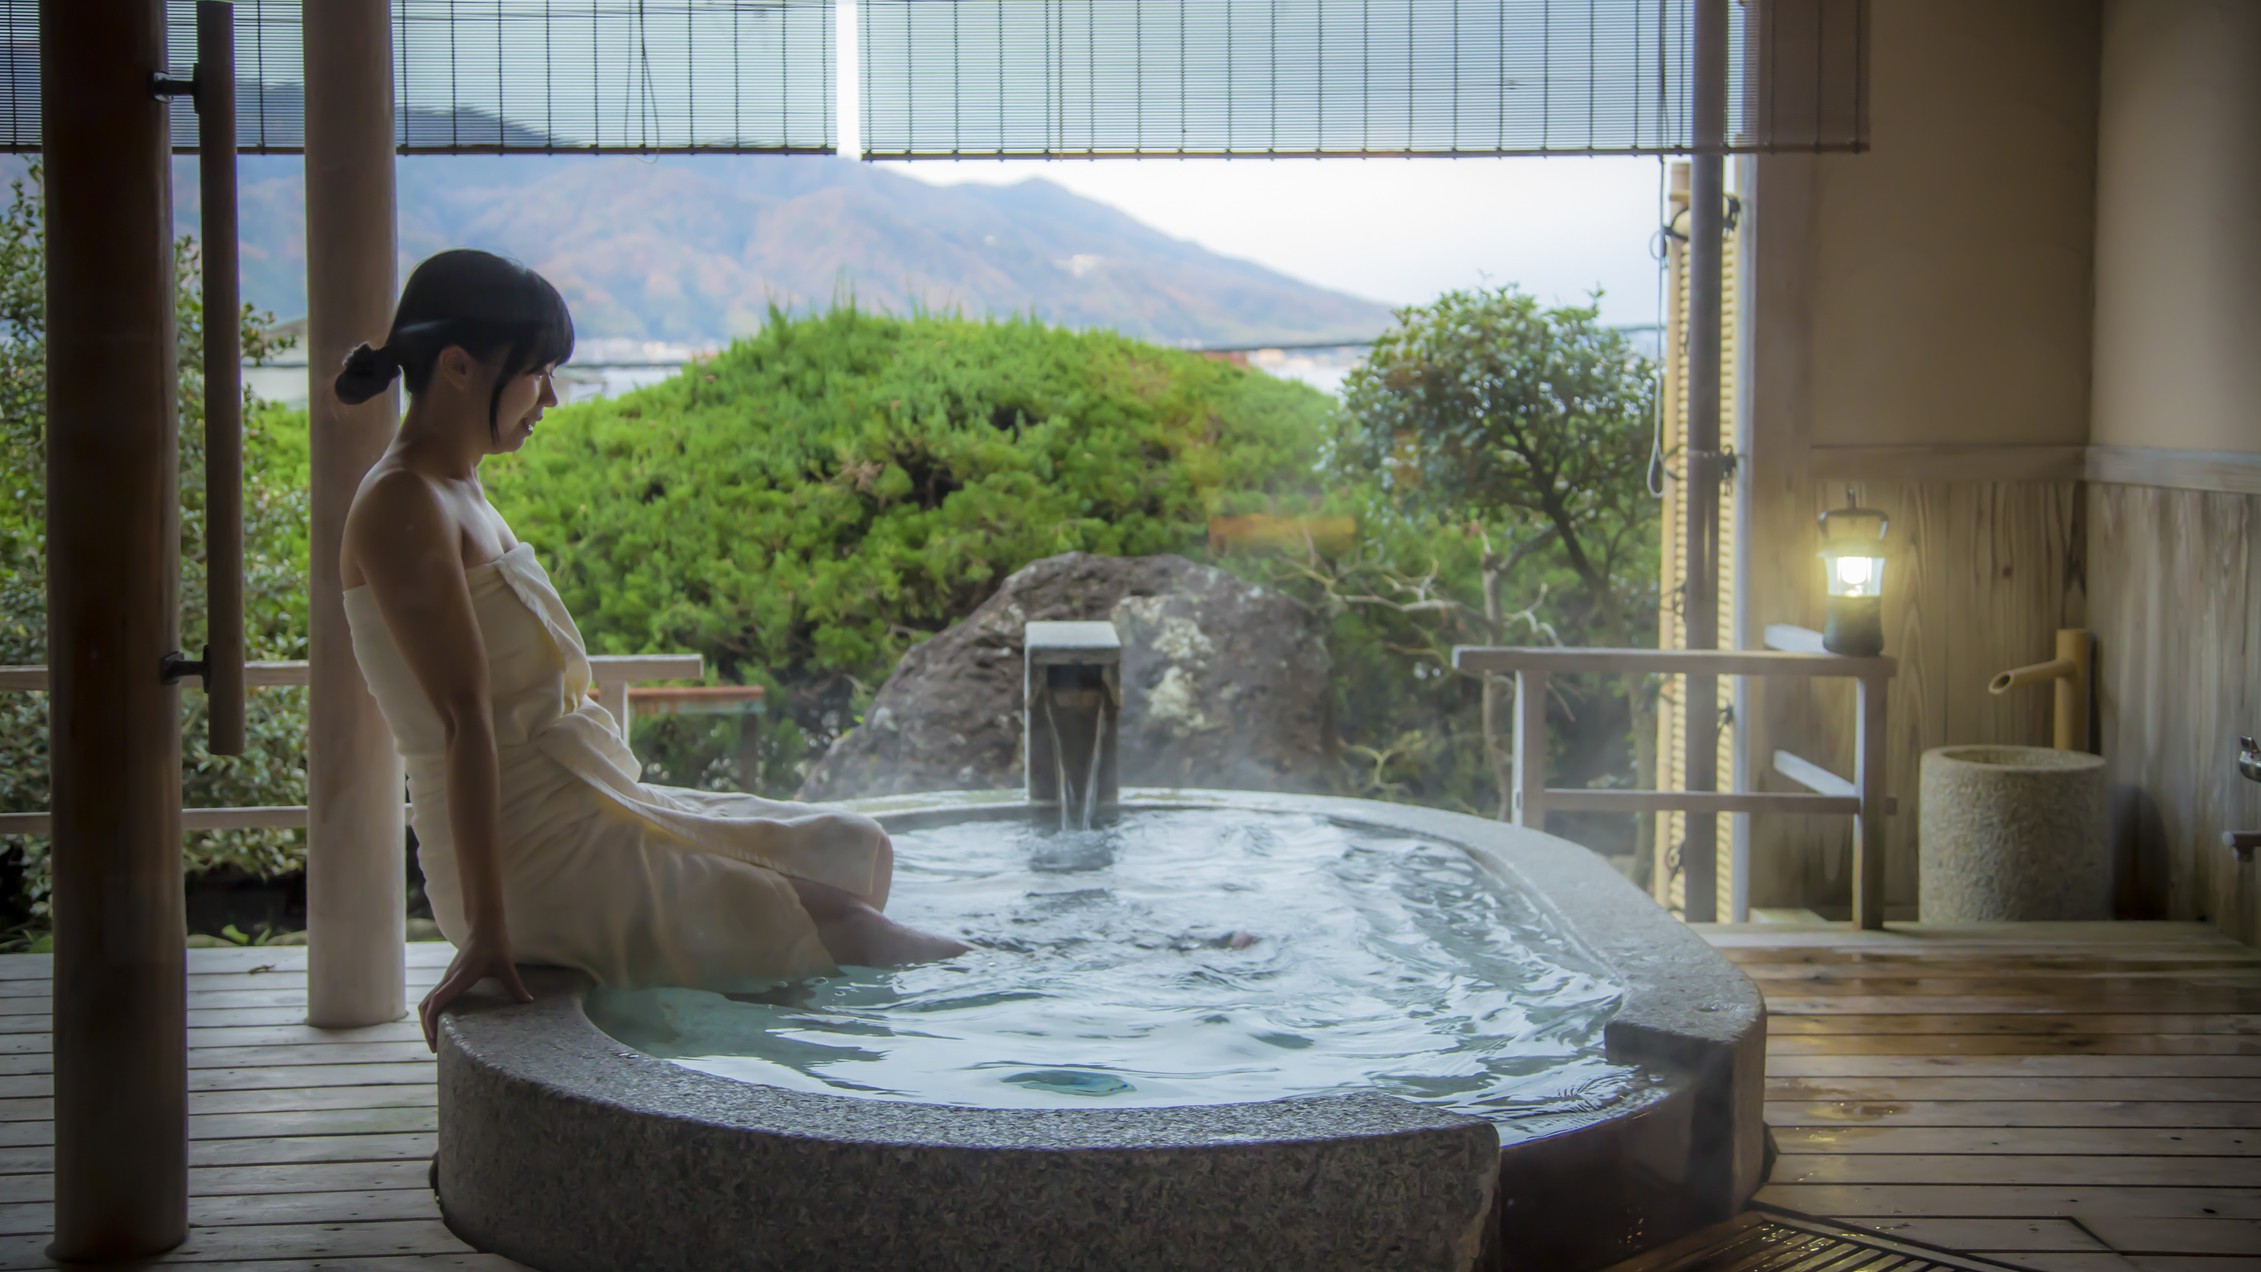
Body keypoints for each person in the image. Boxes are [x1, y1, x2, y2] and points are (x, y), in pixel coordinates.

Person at [335, 249, 969, 1053]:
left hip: (581, 807)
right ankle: (1005, 1043)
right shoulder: (402, 502)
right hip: (526, 854)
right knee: (862, 938)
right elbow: (463, 721)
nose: (551, 399)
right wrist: (486, 932)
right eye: (537, 374)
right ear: (459, 367)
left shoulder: (461, 490)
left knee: (853, 846)